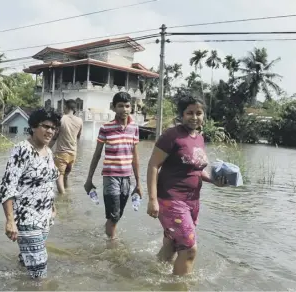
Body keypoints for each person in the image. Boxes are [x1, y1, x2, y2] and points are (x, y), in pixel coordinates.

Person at [146, 93, 226, 276]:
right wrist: (152, 200)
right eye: (190, 113)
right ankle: (179, 287)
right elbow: (153, 165)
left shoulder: (198, 138)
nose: (195, 117)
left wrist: (214, 181)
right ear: (181, 114)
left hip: (192, 202)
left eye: (199, 113)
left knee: (173, 245)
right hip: (171, 200)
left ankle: (150, 276)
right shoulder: (171, 136)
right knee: (189, 249)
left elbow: (196, 170)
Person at [0, 108, 61, 279]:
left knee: (27, 264)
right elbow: (7, 186)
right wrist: (10, 221)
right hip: (26, 217)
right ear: (33, 126)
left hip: (44, 216)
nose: (50, 131)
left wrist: (52, 206)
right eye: (46, 126)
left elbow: (48, 181)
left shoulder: (48, 151)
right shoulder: (22, 150)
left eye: (53, 128)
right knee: (40, 272)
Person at [84, 92, 142, 240]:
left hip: (126, 177)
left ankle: (106, 232)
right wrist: (89, 179)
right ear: (113, 108)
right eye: (120, 106)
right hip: (110, 177)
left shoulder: (134, 128)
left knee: (118, 214)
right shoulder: (106, 128)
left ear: (131, 108)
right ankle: (111, 243)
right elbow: (97, 154)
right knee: (114, 214)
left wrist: (138, 183)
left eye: (127, 106)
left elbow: (135, 156)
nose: (124, 109)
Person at [49, 99, 83, 194]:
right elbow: (78, 137)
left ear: (66, 107)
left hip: (61, 153)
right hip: (73, 153)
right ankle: (67, 191)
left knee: (59, 175)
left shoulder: (62, 119)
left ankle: (63, 198)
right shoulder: (80, 121)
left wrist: (46, 149)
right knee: (66, 176)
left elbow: (55, 137)